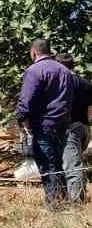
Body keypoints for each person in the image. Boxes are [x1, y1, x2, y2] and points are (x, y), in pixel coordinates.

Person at [15, 39, 74, 209]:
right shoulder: (65, 71)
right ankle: (63, 203)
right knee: (57, 164)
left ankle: (54, 206)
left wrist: (21, 117)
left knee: (48, 166)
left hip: (43, 125)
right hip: (62, 124)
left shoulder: (34, 71)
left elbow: (26, 99)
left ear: (34, 52)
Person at [57, 53, 91, 204]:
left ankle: (76, 204)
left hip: (71, 128)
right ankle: (79, 195)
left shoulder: (63, 83)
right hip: (83, 127)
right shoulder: (85, 83)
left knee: (72, 166)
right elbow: (90, 108)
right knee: (77, 162)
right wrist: (87, 123)